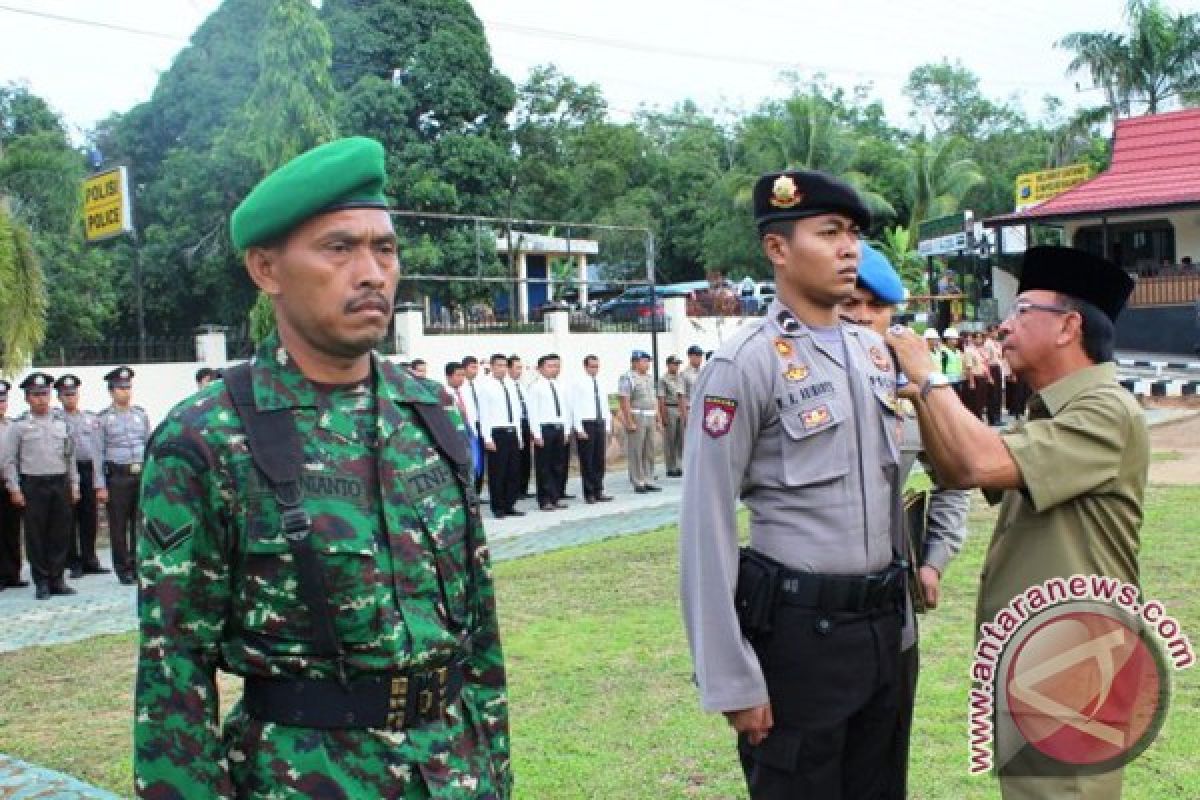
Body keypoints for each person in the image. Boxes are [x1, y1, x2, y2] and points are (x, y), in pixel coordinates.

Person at [133, 137, 510, 798]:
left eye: (384, 248)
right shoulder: (207, 439)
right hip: (308, 779)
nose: (371, 272)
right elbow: (174, 675)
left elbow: (479, 631)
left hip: (456, 772)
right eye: (339, 248)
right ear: (266, 269)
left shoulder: (431, 413)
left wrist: (497, 773)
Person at [886, 245, 1145, 800]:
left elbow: (980, 460)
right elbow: (958, 470)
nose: (1005, 324)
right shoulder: (1052, 410)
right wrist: (925, 404)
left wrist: (930, 379)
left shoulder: (1104, 409)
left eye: (1024, 309)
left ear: (1068, 327)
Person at [680, 169, 906, 799]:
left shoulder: (873, 355)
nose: (848, 249)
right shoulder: (743, 363)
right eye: (829, 232)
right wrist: (732, 678)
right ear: (777, 249)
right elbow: (706, 524)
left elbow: (897, 489)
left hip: (880, 632)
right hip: (800, 642)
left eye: (853, 234)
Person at [839, 242, 971, 798]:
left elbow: (955, 477)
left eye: (877, 306)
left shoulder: (914, 386)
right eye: (851, 304)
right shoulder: (790, 377)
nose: (864, 317)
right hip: (806, 603)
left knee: (883, 761)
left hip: (891, 604)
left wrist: (936, 559)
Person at [2, 372, 80, 599]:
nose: (41, 399)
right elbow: (10, 461)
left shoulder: (61, 423)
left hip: (59, 482)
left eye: (45, 394)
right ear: (27, 398)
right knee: (36, 535)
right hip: (33, 485)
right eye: (36, 395)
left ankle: (57, 580)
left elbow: (70, 457)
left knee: (60, 534)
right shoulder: (19, 426)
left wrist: (74, 484)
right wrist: (14, 488)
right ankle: (42, 582)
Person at [95, 366, 151, 586]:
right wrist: (100, 485)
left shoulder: (141, 415)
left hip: (140, 474)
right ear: (111, 392)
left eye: (128, 387)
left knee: (140, 524)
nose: (125, 392)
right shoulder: (103, 419)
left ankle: (139, 565)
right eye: (120, 388)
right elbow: (97, 454)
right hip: (117, 477)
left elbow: (148, 445)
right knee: (118, 526)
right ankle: (123, 568)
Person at [56, 374, 108, 579]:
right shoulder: (56, 419)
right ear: (59, 397)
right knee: (69, 518)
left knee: (89, 517)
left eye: (73, 394)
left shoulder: (90, 418)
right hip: (67, 471)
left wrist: (98, 478)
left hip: (87, 470)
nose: (70, 398)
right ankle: (73, 561)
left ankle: (90, 558)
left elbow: (96, 449)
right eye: (66, 395)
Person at [478, 353, 524, 519]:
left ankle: (509, 504)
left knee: (513, 472)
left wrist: (519, 435)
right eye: (498, 365)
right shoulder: (485, 386)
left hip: (512, 431)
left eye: (504, 365)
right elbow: (484, 414)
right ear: (491, 366)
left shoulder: (511, 384)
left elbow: (517, 412)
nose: (502, 369)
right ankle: (498, 507)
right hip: (497, 433)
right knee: (498, 472)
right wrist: (488, 438)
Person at [528, 354, 570, 511]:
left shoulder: (560, 385)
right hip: (545, 429)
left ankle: (556, 497)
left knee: (558, 465)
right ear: (540, 368)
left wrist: (566, 430)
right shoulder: (535, 387)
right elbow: (533, 412)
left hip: (559, 428)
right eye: (550, 366)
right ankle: (544, 499)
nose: (555, 369)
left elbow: (565, 409)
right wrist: (536, 434)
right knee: (544, 466)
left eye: (557, 366)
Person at [569, 355, 613, 504]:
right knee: (587, 460)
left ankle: (599, 489)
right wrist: (579, 428)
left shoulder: (601, 382)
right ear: (585, 366)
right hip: (586, 423)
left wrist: (607, 425)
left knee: (599, 460)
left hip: (599, 422)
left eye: (597, 366)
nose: (595, 369)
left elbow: (605, 404)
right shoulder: (578, 383)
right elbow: (574, 406)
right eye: (592, 366)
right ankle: (589, 493)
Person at [617, 350, 660, 493]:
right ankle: (638, 481)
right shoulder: (627, 377)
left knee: (649, 450)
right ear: (635, 362)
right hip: (637, 415)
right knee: (636, 450)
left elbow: (654, 400)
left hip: (650, 416)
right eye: (644, 361)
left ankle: (648, 478)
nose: (647, 364)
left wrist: (658, 418)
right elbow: (624, 400)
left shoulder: (648, 377)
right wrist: (629, 421)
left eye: (648, 361)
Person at [0, 379, 28, 590]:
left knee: (11, 529)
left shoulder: (13, 426)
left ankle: (13, 573)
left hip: (9, 482)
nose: (1, 404)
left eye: (3, 401)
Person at [508, 356, 535, 500]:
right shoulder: (507, 385)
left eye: (521, 368)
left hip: (526, 423)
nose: (520, 371)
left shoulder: (521, 385)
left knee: (526, 458)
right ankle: (515, 489)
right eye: (517, 367)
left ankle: (524, 488)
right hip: (514, 425)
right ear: (509, 368)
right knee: (516, 458)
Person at [657, 355, 687, 477]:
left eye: (678, 364)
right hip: (669, 408)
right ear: (668, 365)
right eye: (674, 364)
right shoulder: (663, 379)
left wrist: (684, 414)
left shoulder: (680, 378)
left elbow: (682, 397)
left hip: (680, 408)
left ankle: (680, 465)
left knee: (681, 439)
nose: (676, 366)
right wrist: (663, 416)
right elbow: (661, 399)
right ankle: (670, 467)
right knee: (670, 440)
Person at [462, 355, 486, 494]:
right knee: (472, 458)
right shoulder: (462, 387)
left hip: (481, 424)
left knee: (481, 459)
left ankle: (478, 490)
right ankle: (471, 490)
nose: (475, 370)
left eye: (476, 367)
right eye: (472, 367)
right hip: (469, 426)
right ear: (464, 368)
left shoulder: (479, 385)